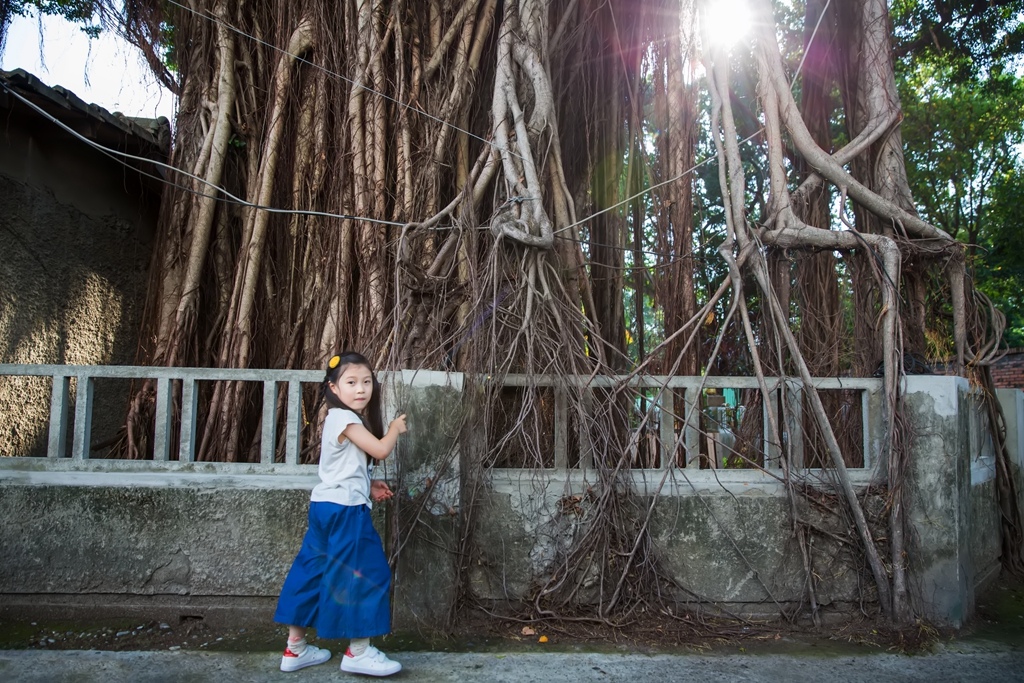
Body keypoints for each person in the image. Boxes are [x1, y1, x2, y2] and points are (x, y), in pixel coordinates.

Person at [273, 351, 408, 676]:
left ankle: (295, 649)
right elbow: (380, 449)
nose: (361, 389)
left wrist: (368, 484)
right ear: (334, 388)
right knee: (367, 573)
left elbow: (345, 467)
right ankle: (358, 651)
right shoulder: (343, 418)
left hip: (326, 508)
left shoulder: (341, 420)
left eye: (366, 382)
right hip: (346, 513)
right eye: (351, 382)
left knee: (312, 571)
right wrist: (393, 428)